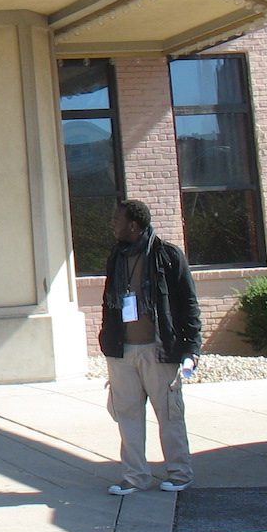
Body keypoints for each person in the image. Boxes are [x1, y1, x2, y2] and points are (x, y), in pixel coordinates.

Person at [99, 198, 201, 495]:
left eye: (117, 220)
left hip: (160, 350)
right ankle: (134, 477)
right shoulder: (116, 257)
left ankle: (179, 473)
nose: (112, 225)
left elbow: (188, 304)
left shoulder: (167, 256)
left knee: (169, 415)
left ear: (134, 224)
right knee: (128, 417)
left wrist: (191, 350)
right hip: (123, 351)